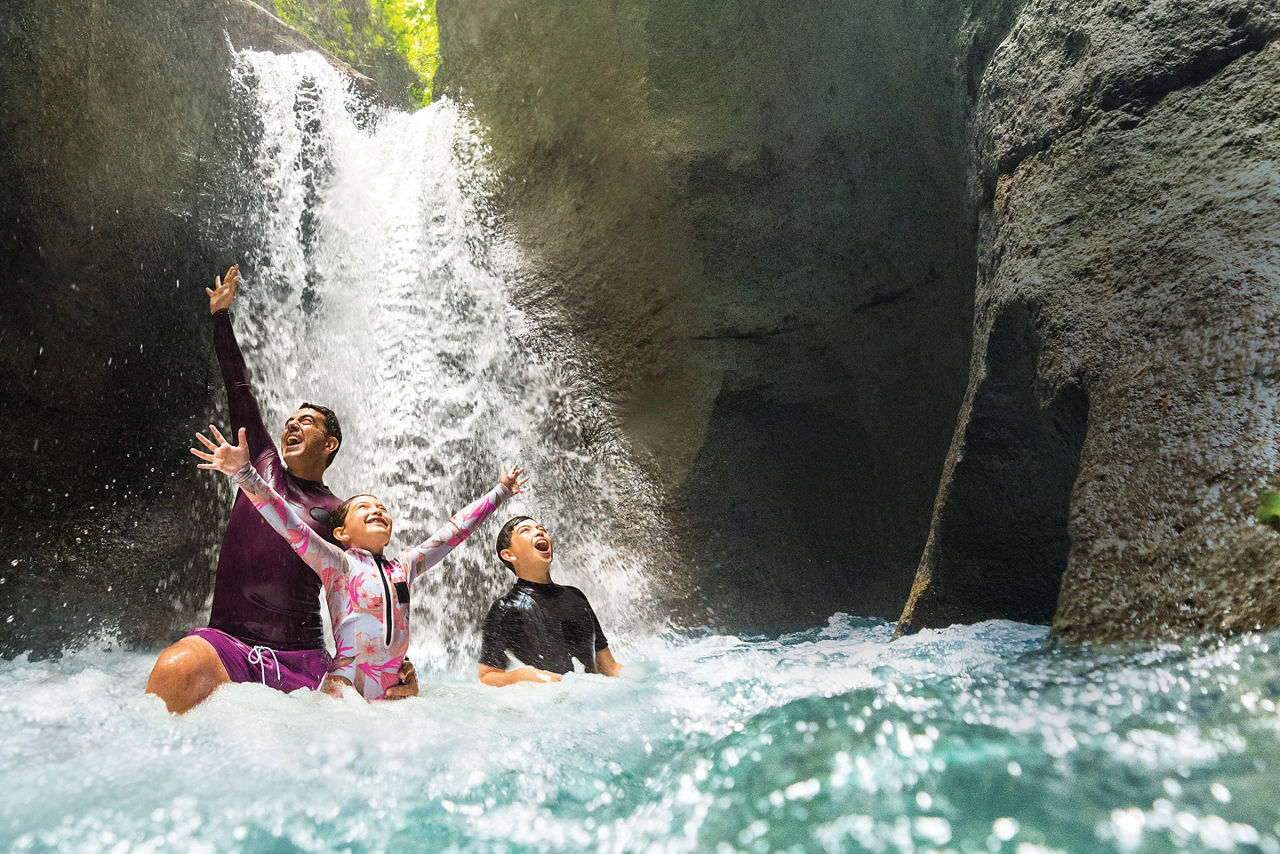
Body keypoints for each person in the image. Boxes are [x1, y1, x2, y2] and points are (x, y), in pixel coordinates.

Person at [145, 264, 417, 713]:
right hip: (230, 645)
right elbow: (240, 388)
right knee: (174, 670)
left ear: (329, 444)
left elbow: (378, 584)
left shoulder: (339, 513)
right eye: (291, 419)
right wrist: (220, 317)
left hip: (306, 658)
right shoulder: (261, 464)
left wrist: (395, 665)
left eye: (306, 421)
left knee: (365, 715)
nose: (292, 422)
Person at [194, 424, 529, 700]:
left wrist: (501, 491)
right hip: (345, 694)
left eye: (382, 508)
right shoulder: (335, 563)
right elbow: (288, 524)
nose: (377, 510)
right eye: (364, 508)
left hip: (394, 695)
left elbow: (454, 531)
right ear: (340, 531)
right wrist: (245, 474)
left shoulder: (406, 566)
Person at [477, 516, 622, 686]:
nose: (540, 531)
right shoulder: (506, 608)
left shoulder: (576, 596)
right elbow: (487, 676)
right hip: (545, 707)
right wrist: (523, 676)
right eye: (526, 530)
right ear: (509, 555)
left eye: (542, 529)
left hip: (589, 703)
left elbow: (608, 667)